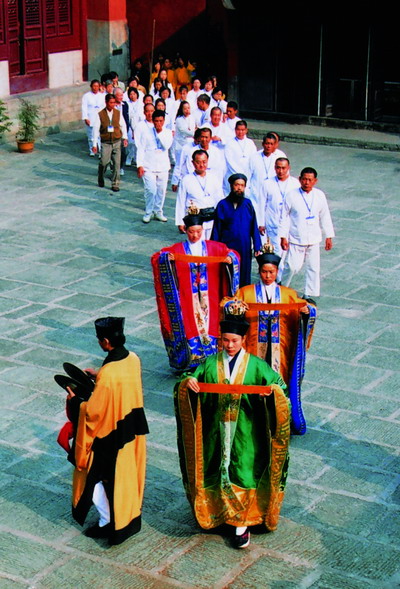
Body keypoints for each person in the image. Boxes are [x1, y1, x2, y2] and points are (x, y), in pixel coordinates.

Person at [174, 299, 290, 549]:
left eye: (234, 341)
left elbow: (280, 388)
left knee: (243, 470)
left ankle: (242, 522)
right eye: (225, 340)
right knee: (217, 465)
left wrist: (270, 395)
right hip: (216, 430)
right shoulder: (210, 363)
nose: (229, 345)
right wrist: (189, 384)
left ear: (244, 341)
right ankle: (217, 512)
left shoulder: (257, 366)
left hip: (246, 431)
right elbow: (190, 377)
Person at [67, 316, 149, 545]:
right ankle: (123, 520)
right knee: (124, 480)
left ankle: (107, 521)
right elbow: (120, 387)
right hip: (131, 427)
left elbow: (93, 412)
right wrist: (97, 376)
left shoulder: (108, 373)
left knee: (89, 475)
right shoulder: (133, 359)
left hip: (109, 437)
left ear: (105, 341)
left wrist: (75, 403)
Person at [230, 242, 317, 435]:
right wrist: (235, 308)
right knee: (252, 380)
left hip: (280, 350)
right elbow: (228, 304)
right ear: (259, 271)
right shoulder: (246, 292)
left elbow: (307, 308)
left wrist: (306, 311)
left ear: (277, 271)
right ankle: (251, 419)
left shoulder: (288, 294)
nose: (268, 276)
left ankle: (279, 418)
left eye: (271, 272)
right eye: (264, 272)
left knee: (278, 382)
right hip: (254, 348)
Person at [151, 206, 240, 371]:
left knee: (211, 325)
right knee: (190, 325)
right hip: (187, 297)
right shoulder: (178, 249)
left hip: (211, 296)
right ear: (185, 230)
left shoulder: (214, 247)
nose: (195, 235)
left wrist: (230, 259)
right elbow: (157, 257)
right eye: (191, 232)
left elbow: (233, 254)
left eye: (198, 231)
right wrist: (165, 259)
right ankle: (192, 360)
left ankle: (213, 358)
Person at [279, 167, 335, 298]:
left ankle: (309, 294)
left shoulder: (320, 195)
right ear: (299, 179)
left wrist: (329, 236)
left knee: (313, 268)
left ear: (315, 181)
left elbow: (325, 215)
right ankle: (282, 288)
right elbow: (284, 217)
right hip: (296, 237)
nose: (306, 182)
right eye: (304, 179)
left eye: (310, 180)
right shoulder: (291, 195)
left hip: (314, 238)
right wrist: (283, 236)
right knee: (292, 267)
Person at [211, 173, 261, 288]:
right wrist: (214, 247)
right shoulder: (222, 204)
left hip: (244, 246)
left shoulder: (248, 204)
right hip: (227, 247)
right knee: (227, 274)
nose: (239, 188)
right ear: (231, 186)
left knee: (243, 274)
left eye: (242, 185)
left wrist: (257, 245)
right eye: (237, 185)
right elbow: (216, 229)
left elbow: (254, 225)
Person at [175, 149, 224, 238]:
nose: (201, 165)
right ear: (193, 163)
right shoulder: (186, 179)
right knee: (196, 246)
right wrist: (180, 222)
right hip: (195, 219)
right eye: (198, 162)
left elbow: (220, 199)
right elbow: (180, 201)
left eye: (204, 162)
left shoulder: (214, 178)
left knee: (211, 246)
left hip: (211, 218)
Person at [136, 109, 173, 223]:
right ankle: (148, 212)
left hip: (163, 167)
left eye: (161, 121)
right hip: (149, 166)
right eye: (156, 121)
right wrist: (139, 165)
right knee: (151, 190)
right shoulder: (146, 133)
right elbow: (141, 149)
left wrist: (160, 133)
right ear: (153, 121)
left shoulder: (167, 132)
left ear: (164, 121)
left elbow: (166, 145)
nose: (158, 123)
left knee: (161, 191)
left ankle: (158, 211)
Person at [259, 157, 300, 258]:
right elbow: (261, 203)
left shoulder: (295, 183)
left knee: (289, 251)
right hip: (273, 221)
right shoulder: (267, 183)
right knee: (277, 251)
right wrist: (261, 223)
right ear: (274, 168)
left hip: (289, 222)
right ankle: (277, 272)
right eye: (278, 168)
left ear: (288, 168)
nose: (280, 171)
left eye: (283, 168)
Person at [92, 93, 128, 192]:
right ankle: (101, 175)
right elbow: (95, 130)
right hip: (106, 142)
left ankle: (115, 183)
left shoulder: (118, 113)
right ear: (106, 103)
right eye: (110, 103)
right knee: (104, 162)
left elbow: (123, 125)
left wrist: (125, 138)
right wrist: (94, 144)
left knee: (117, 163)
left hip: (116, 141)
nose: (112, 105)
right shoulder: (100, 114)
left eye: (114, 103)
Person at [224, 120, 257, 194]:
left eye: (242, 130)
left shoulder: (250, 143)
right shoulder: (230, 143)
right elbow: (229, 161)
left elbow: (253, 159)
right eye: (238, 130)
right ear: (235, 130)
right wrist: (239, 174)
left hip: (247, 174)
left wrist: (247, 173)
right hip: (233, 173)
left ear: (246, 130)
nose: (240, 132)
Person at [81, 79, 105, 156]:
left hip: (100, 118)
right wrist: (85, 118)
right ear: (91, 86)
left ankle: (101, 151)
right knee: (91, 136)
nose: (95, 88)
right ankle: (92, 150)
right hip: (90, 117)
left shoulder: (102, 96)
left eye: (97, 86)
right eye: (94, 86)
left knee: (100, 136)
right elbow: (84, 107)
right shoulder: (86, 96)